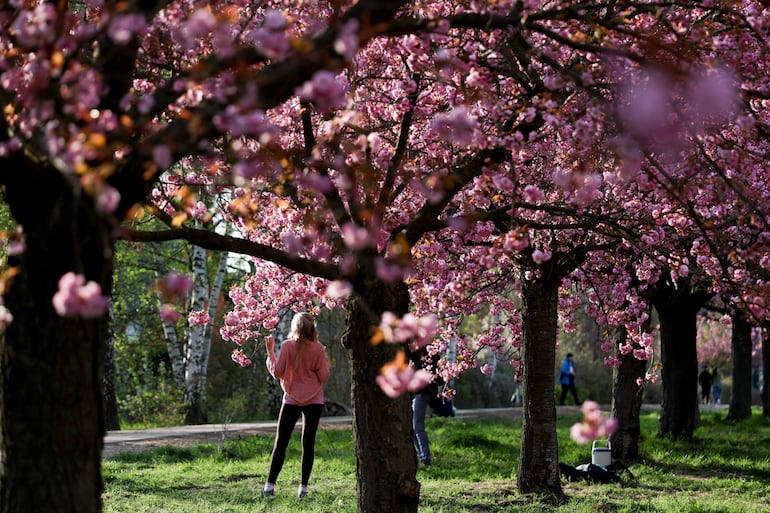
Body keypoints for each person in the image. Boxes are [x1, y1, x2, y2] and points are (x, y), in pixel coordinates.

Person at [261, 312, 331, 499]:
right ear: (312, 328)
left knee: (281, 443)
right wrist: (324, 361)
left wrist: (270, 351)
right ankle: (303, 489)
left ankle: (269, 487)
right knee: (308, 444)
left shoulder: (286, 346)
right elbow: (323, 377)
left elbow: (277, 373)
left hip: (291, 399)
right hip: (314, 400)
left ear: (295, 327)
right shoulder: (318, 349)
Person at [410, 346, 441, 467]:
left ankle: (426, 459)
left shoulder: (425, 353)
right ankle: (422, 456)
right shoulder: (418, 353)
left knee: (417, 427)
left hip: (422, 393)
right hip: (416, 393)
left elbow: (438, 377)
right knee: (412, 428)